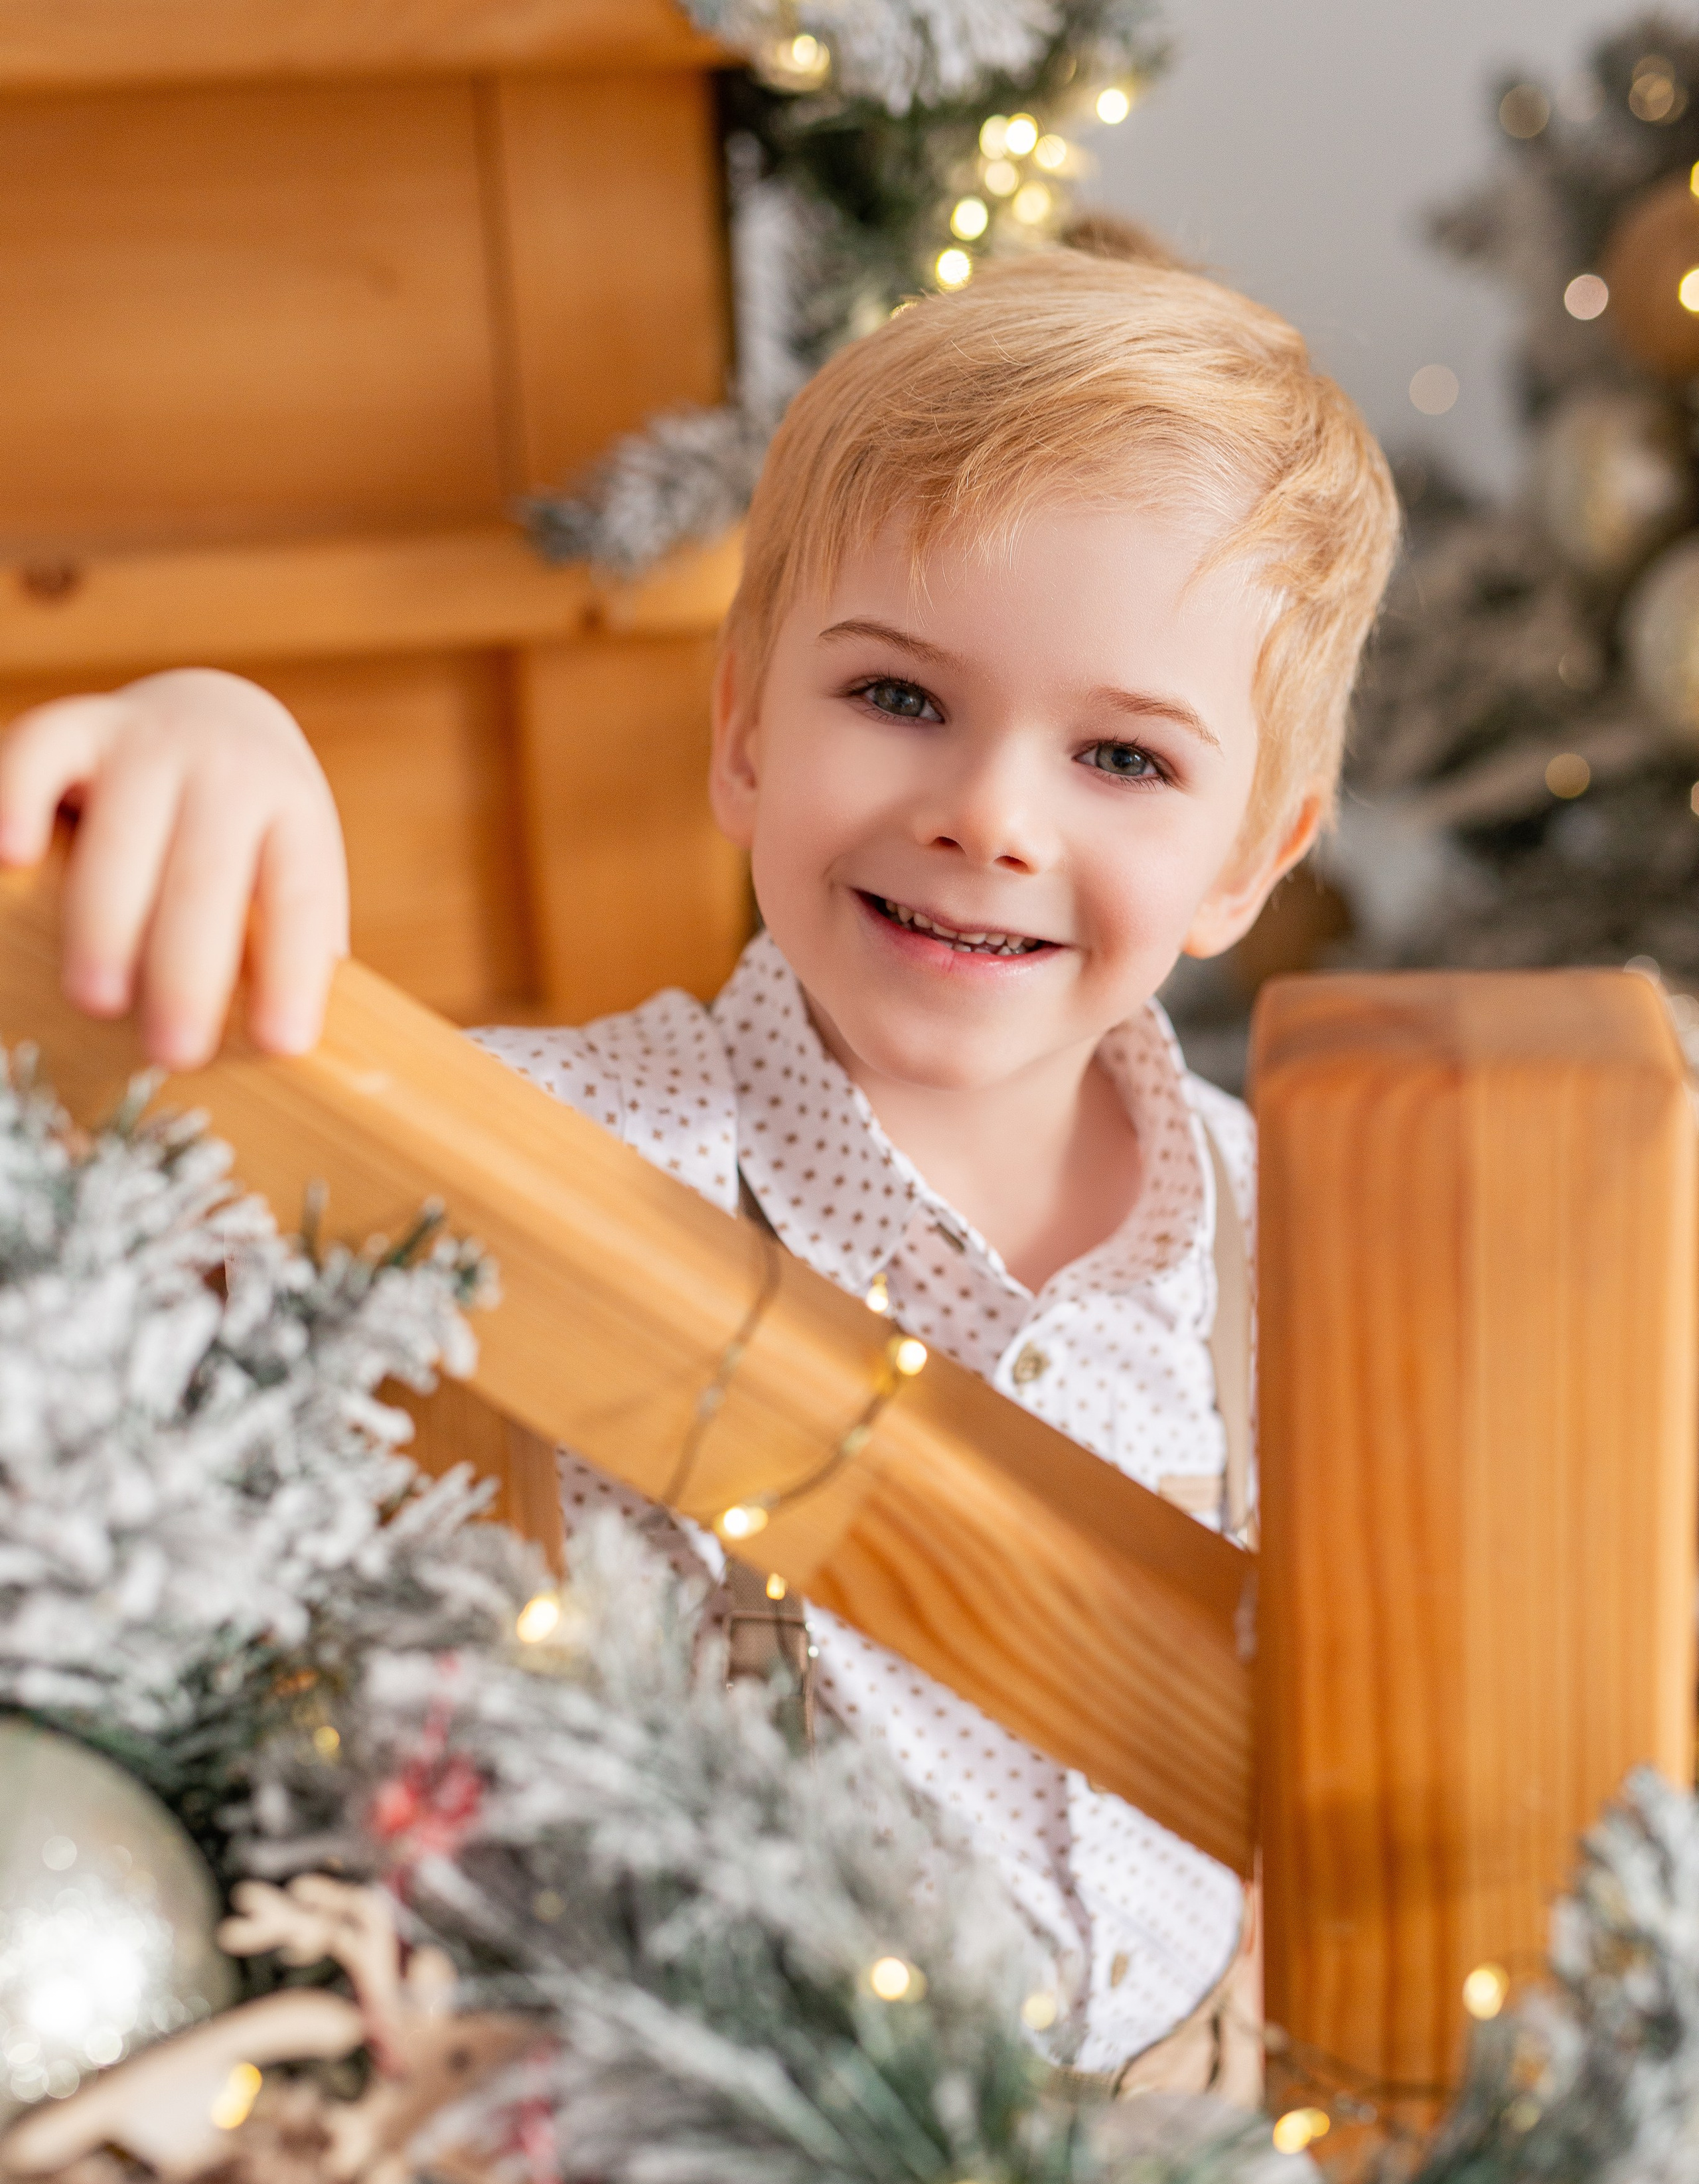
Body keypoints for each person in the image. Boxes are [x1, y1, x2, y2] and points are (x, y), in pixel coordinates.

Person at [0, 250, 1399, 2080]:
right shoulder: (533, 1160)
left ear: (1250, 858)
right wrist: (212, 743)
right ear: (743, 724)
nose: (992, 810)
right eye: (900, 699)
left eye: (1125, 754)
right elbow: (101, 1273)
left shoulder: (1313, 1246)